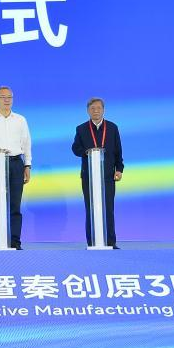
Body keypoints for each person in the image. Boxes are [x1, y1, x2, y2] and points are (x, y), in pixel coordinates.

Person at [0, 85, 31, 249]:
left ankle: (15, 241)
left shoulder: (20, 119)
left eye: (9, 97)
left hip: (16, 163)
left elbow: (26, 143)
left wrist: (27, 165)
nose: (6, 100)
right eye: (3, 97)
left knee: (15, 204)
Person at [71, 97, 124, 249]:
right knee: (91, 208)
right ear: (88, 111)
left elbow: (118, 150)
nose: (96, 111)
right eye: (92, 108)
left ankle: (111, 242)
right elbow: (75, 148)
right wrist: (87, 152)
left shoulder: (112, 128)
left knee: (108, 208)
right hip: (89, 176)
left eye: (98, 108)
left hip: (108, 175)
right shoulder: (81, 129)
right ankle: (92, 242)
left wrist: (119, 169)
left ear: (103, 110)